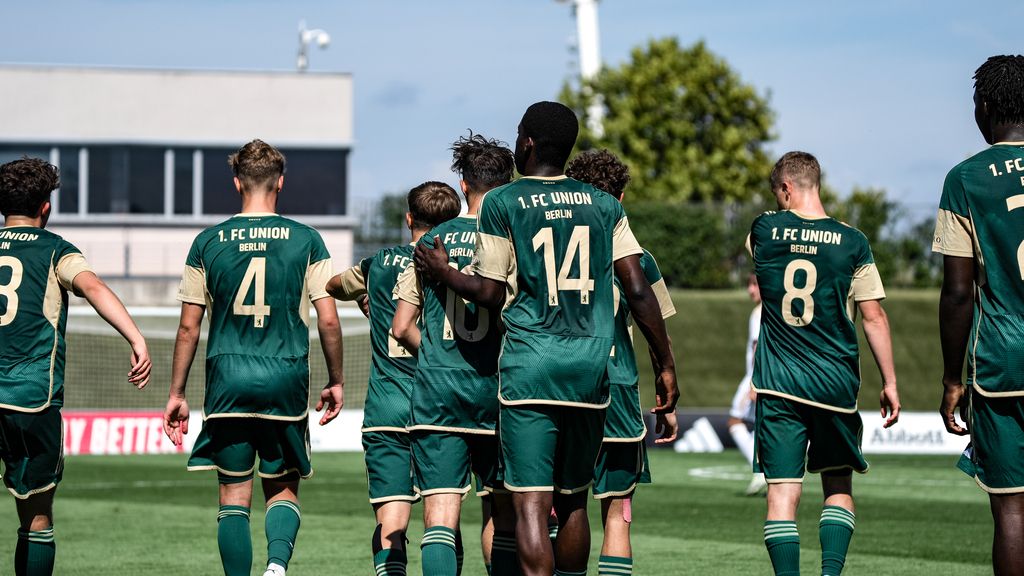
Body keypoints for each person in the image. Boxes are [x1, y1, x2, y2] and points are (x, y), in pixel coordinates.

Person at [414, 101, 678, 576]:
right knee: (574, 500)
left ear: (528, 143)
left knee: (533, 505)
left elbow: (490, 292)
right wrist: (665, 366)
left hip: (531, 368)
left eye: (518, 134)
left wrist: (444, 272)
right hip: (589, 369)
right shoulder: (604, 206)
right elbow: (639, 290)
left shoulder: (503, 202)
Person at [162, 139, 345, 576]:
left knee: (233, 495)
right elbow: (329, 320)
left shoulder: (207, 242)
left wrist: (176, 392)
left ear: (236, 182)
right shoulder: (307, 240)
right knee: (282, 489)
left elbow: (189, 327)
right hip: (285, 376)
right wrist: (336, 379)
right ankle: (277, 567)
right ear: (280, 183)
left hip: (228, 379)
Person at [749, 151, 899, 576]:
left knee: (782, 493)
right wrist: (890, 382)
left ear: (786, 188)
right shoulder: (854, 242)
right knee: (837, 483)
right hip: (834, 382)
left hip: (778, 384)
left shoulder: (764, 229)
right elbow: (874, 317)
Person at [0, 157, 151, 576]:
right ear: (45, 207)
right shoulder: (55, 250)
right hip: (32, 398)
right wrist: (136, 338)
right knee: (35, 517)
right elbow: (93, 287)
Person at [391, 134, 516, 576]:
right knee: (504, 515)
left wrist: (440, 357)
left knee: (441, 515)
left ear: (463, 186)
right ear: (508, 184)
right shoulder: (513, 238)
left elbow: (401, 325)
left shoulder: (430, 243)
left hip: (438, 391)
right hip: (499, 390)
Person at [328, 180, 461, 576]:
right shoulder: (458, 268)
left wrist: (365, 295)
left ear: (408, 219)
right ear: (452, 224)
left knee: (391, 525)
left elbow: (332, 285)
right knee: (443, 523)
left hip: (388, 406)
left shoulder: (379, 264)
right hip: (440, 405)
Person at [564, 149, 678, 576]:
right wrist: (668, 385)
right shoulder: (639, 258)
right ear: (622, 198)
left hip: (562, 382)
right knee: (618, 513)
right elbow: (654, 328)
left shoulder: (545, 246)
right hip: (618, 387)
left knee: (561, 506)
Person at [934, 54, 1024, 576]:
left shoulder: (965, 178)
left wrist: (951, 378)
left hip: (1003, 366)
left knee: (1012, 510)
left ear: (986, 106)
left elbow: (958, 293)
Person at [727, 273, 766, 496]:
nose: (750, 290)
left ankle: (759, 470)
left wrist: (755, 382)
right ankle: (761, 469)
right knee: (755, 424)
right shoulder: (762, 311)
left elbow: (759, 347)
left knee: (735, 421)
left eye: (754, 285)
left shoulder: (761, 312)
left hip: (755, 377)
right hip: (755, 376)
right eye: (749, 285)